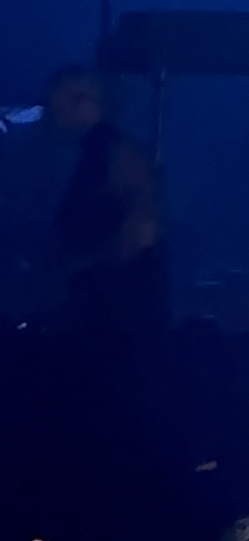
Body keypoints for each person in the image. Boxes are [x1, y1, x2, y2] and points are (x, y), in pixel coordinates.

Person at [45, 67, 167, 338]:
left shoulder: (110, 156)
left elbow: (134, 230)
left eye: (61, 106)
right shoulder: (96, 154)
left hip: (112, 305)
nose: (54, 115)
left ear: (85, 101)